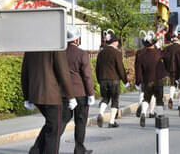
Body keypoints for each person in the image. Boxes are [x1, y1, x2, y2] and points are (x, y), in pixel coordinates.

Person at [21, 50, 77, 154]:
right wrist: (71, 96)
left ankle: (36, 150)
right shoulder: (56, 47)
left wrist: (26, 97)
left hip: (36, 94)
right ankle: (38, 150)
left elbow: (24, 72)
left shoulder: (31, 49)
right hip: (51, 95)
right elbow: (63, 73)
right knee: (54, 130)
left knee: (53, 124)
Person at [60, 25, 95, 154]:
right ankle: (79, 149)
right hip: (80, 93)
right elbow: (87, 76)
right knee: (80, 121)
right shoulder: (82, 54)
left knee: (62, 121)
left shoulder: (60, 52)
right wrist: (91, 93)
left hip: (64, 93)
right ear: (76, 40)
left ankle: (51, 146)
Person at [95, 29, 129, 128]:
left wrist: (99, 80)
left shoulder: (101, 53)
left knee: (105, 98)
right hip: (114, 80)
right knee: (115, 100)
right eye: (117, 41)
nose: (118, 43)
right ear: (114, 42)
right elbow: (120, 68)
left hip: (103, 80)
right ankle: (111, 121)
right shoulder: (116, 53)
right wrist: (125, 80)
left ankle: (101, 113)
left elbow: (97, 68)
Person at [136, 31, 165, 127]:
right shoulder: (158, 53)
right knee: (159, 99)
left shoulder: (141, 55)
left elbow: (138, 70)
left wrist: (138, 81)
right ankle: (160, 117)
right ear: (153, 43)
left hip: (146, 80)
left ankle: (144, 113)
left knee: (146, 98)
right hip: (158, 79)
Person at [162, 27, 180, 109]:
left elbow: (164, 58)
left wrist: (166, 68)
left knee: (172, 84)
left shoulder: (167, 48)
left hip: (171, 69)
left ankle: (171, 97)